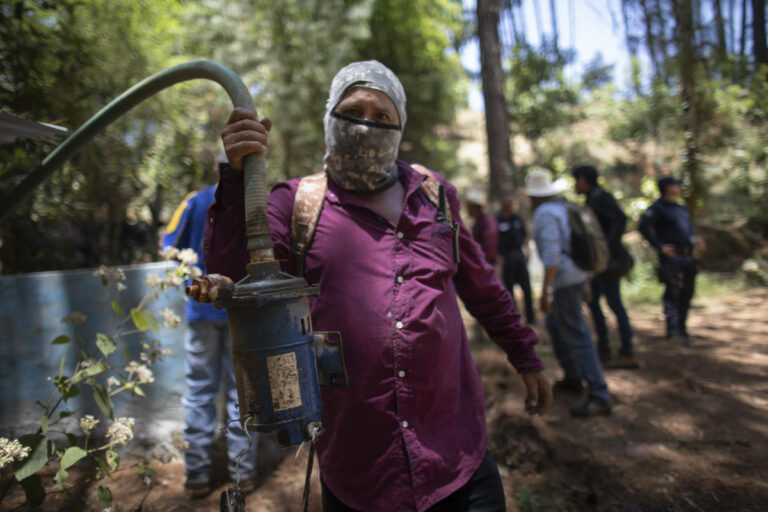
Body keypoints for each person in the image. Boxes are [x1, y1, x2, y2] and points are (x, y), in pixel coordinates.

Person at [206, 60, 552, 512]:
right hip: (359, 468)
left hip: (456, 456)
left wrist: (524, 353)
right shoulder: (295, 204)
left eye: (382, 116)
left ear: (400, 128)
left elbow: (483, 286)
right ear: (330, 117)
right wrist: (235, 179)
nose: (366, 125)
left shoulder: (434, 196)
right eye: (354, 110)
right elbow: (237, 283)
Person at [162, 154, 258, 499]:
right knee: (241, 396)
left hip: (201, 313)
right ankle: (243, 476)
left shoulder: (195, 201)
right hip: (241, 315)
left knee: (200, 390)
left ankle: (197, 477)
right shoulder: (257, 204)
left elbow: (168, 246)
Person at [525, 168, 612, 418]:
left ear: (535, 196)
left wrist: (544, 292)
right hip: (578, 275)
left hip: (564, 280)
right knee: (554, 324)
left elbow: (552, 255)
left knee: (577, 334)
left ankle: (599, 394)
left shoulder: (544, 213)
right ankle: (573, 376)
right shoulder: (563, 208)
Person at [572, 165, 637, 369]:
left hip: (608, 264)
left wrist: (607, 250)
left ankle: (627, 350)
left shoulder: (601, 198)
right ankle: (604, 349)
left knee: (614, 304)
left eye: (576, 180)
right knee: (594, 304)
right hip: (600, 265)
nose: (575, 185)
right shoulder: (592, 199)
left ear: (583, 180)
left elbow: (620, 219)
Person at [638, 176, 701, 345]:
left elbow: (688, 229)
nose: (679, 188)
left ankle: (682, 329)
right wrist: (660, 246)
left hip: (688, 256)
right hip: (671, 258)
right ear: (667, 188)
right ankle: (672, 331)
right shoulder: (657, 208)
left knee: (687, 293)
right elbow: (643, 227)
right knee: (672, 293)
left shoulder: (681, 209)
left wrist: (694, 239)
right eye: (675, 185)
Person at [496, 196, 535, 325]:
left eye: (510, 202)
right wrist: (499, 257)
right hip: (507, 259)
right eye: (506, 202)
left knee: (527, 289)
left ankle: (531, 318)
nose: (509, 205)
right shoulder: (497, 220)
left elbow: (525, 236)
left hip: (519, 256)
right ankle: (514, 318)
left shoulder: (517, 218)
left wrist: (527, 251)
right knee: (509, 289)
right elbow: (494, 240)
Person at [465, 189, 498, 265]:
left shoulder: (487, 223)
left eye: (469, 206)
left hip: (486, 265)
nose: (467, 209)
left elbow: (489, 248)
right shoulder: (479, 222)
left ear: (475, 207)